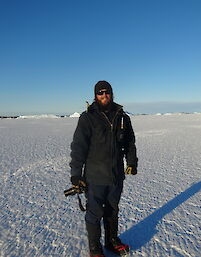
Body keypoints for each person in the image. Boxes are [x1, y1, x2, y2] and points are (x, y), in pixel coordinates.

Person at [69, 80, 138, 257]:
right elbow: (78, 147)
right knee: (94, 213)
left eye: (106, 92)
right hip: (95, 176)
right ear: (95, 95)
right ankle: (95, 248)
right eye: (100, 93)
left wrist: (131, 162)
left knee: (112, 210)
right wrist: (76, 175)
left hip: (116, 176)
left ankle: (111, 241)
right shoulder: (88, 118)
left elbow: (130, 142)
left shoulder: (123, 117)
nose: (104, 95)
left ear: (112, 93)